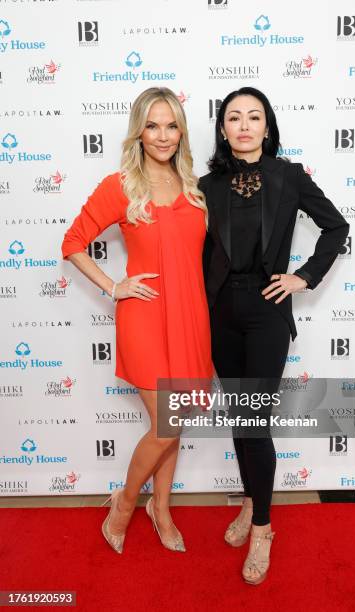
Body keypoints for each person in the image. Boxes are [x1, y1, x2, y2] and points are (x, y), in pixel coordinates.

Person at [199, 86, 349, 585]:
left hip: (267, 311)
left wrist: (303, 277)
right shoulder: (206, 185)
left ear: (268, 126)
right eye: (234, 117)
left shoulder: (288, 176)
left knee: (254, 420)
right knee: (240, 420)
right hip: (221, 312)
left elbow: (336, 227)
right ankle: (250, 501)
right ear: (223, 129)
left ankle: (262, 526)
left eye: (254, 117)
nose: (244, 125)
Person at [61, 87, 212, 554]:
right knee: (167, 421)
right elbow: (72, 243)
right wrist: (114, 286)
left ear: (181, 130)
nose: (163, 135)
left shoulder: (193, 186)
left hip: (190, 314)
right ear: (138, 132)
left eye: (171, 125)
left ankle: (160, 508)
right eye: (153, 125)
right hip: (144, 314)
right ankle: (125, 504)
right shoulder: (120, 185)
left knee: (178, 419)